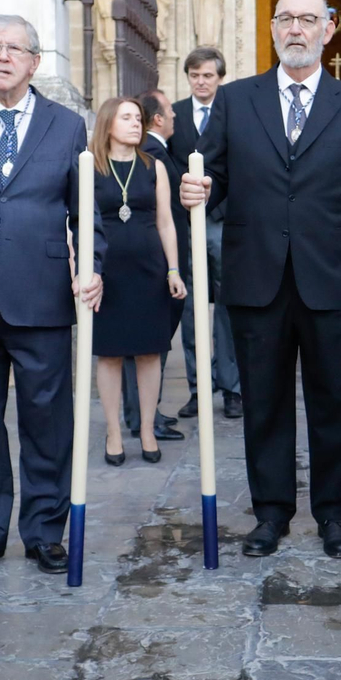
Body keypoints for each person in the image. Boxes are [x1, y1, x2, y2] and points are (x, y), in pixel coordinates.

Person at [180, 0, 341, 558]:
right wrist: (197, 187)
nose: (296, 29)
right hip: (257, 277)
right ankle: (270, 514)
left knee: (335, 400)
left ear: (329, 28)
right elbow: (213, 172)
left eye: (308, 19)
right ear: (273, 29)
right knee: (265, 402)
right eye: (286, 20)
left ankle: (333, 516)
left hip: (333, 278)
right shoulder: (236, 100)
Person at [0, 14, 105, 577]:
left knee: (46, 417)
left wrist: (92, 267)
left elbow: (85, 213)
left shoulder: (67, 126)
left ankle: (43, 531)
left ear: (35, 61)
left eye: (14, 48)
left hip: (41, 292)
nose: (2, 56)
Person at [91, 95, 186, 463]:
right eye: (127, 117)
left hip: (150, 269)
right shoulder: (92, 166)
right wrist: (84, 271)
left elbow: (166, 221)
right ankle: (114, 432)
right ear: (108, 124)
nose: (136, 123)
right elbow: (79, 222)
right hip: (108, 272)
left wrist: (174, 270)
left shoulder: (153, 166)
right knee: (110, 354)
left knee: (150, 351)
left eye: (138, 118)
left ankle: (147, 428)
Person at [170, 47, 243, 421]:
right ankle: (199, 388)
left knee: (228, 305)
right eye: (195, 75)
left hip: (224, 221)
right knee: (191, 307)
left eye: (208, 76)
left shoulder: (235, 111)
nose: (201, 82)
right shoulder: (175, 114)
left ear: (220, 78)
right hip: (186, 224)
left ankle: (232, 388)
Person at [119, 91, 188, 442]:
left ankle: (146, 412)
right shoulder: (152, 155)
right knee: (146, 344)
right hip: (154, 264)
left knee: (150, 342)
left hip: (159, 263)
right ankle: (141, 416)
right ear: (158, 118)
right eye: (170, 111)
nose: (174, 115)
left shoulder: (157, 153)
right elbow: (166, 218)